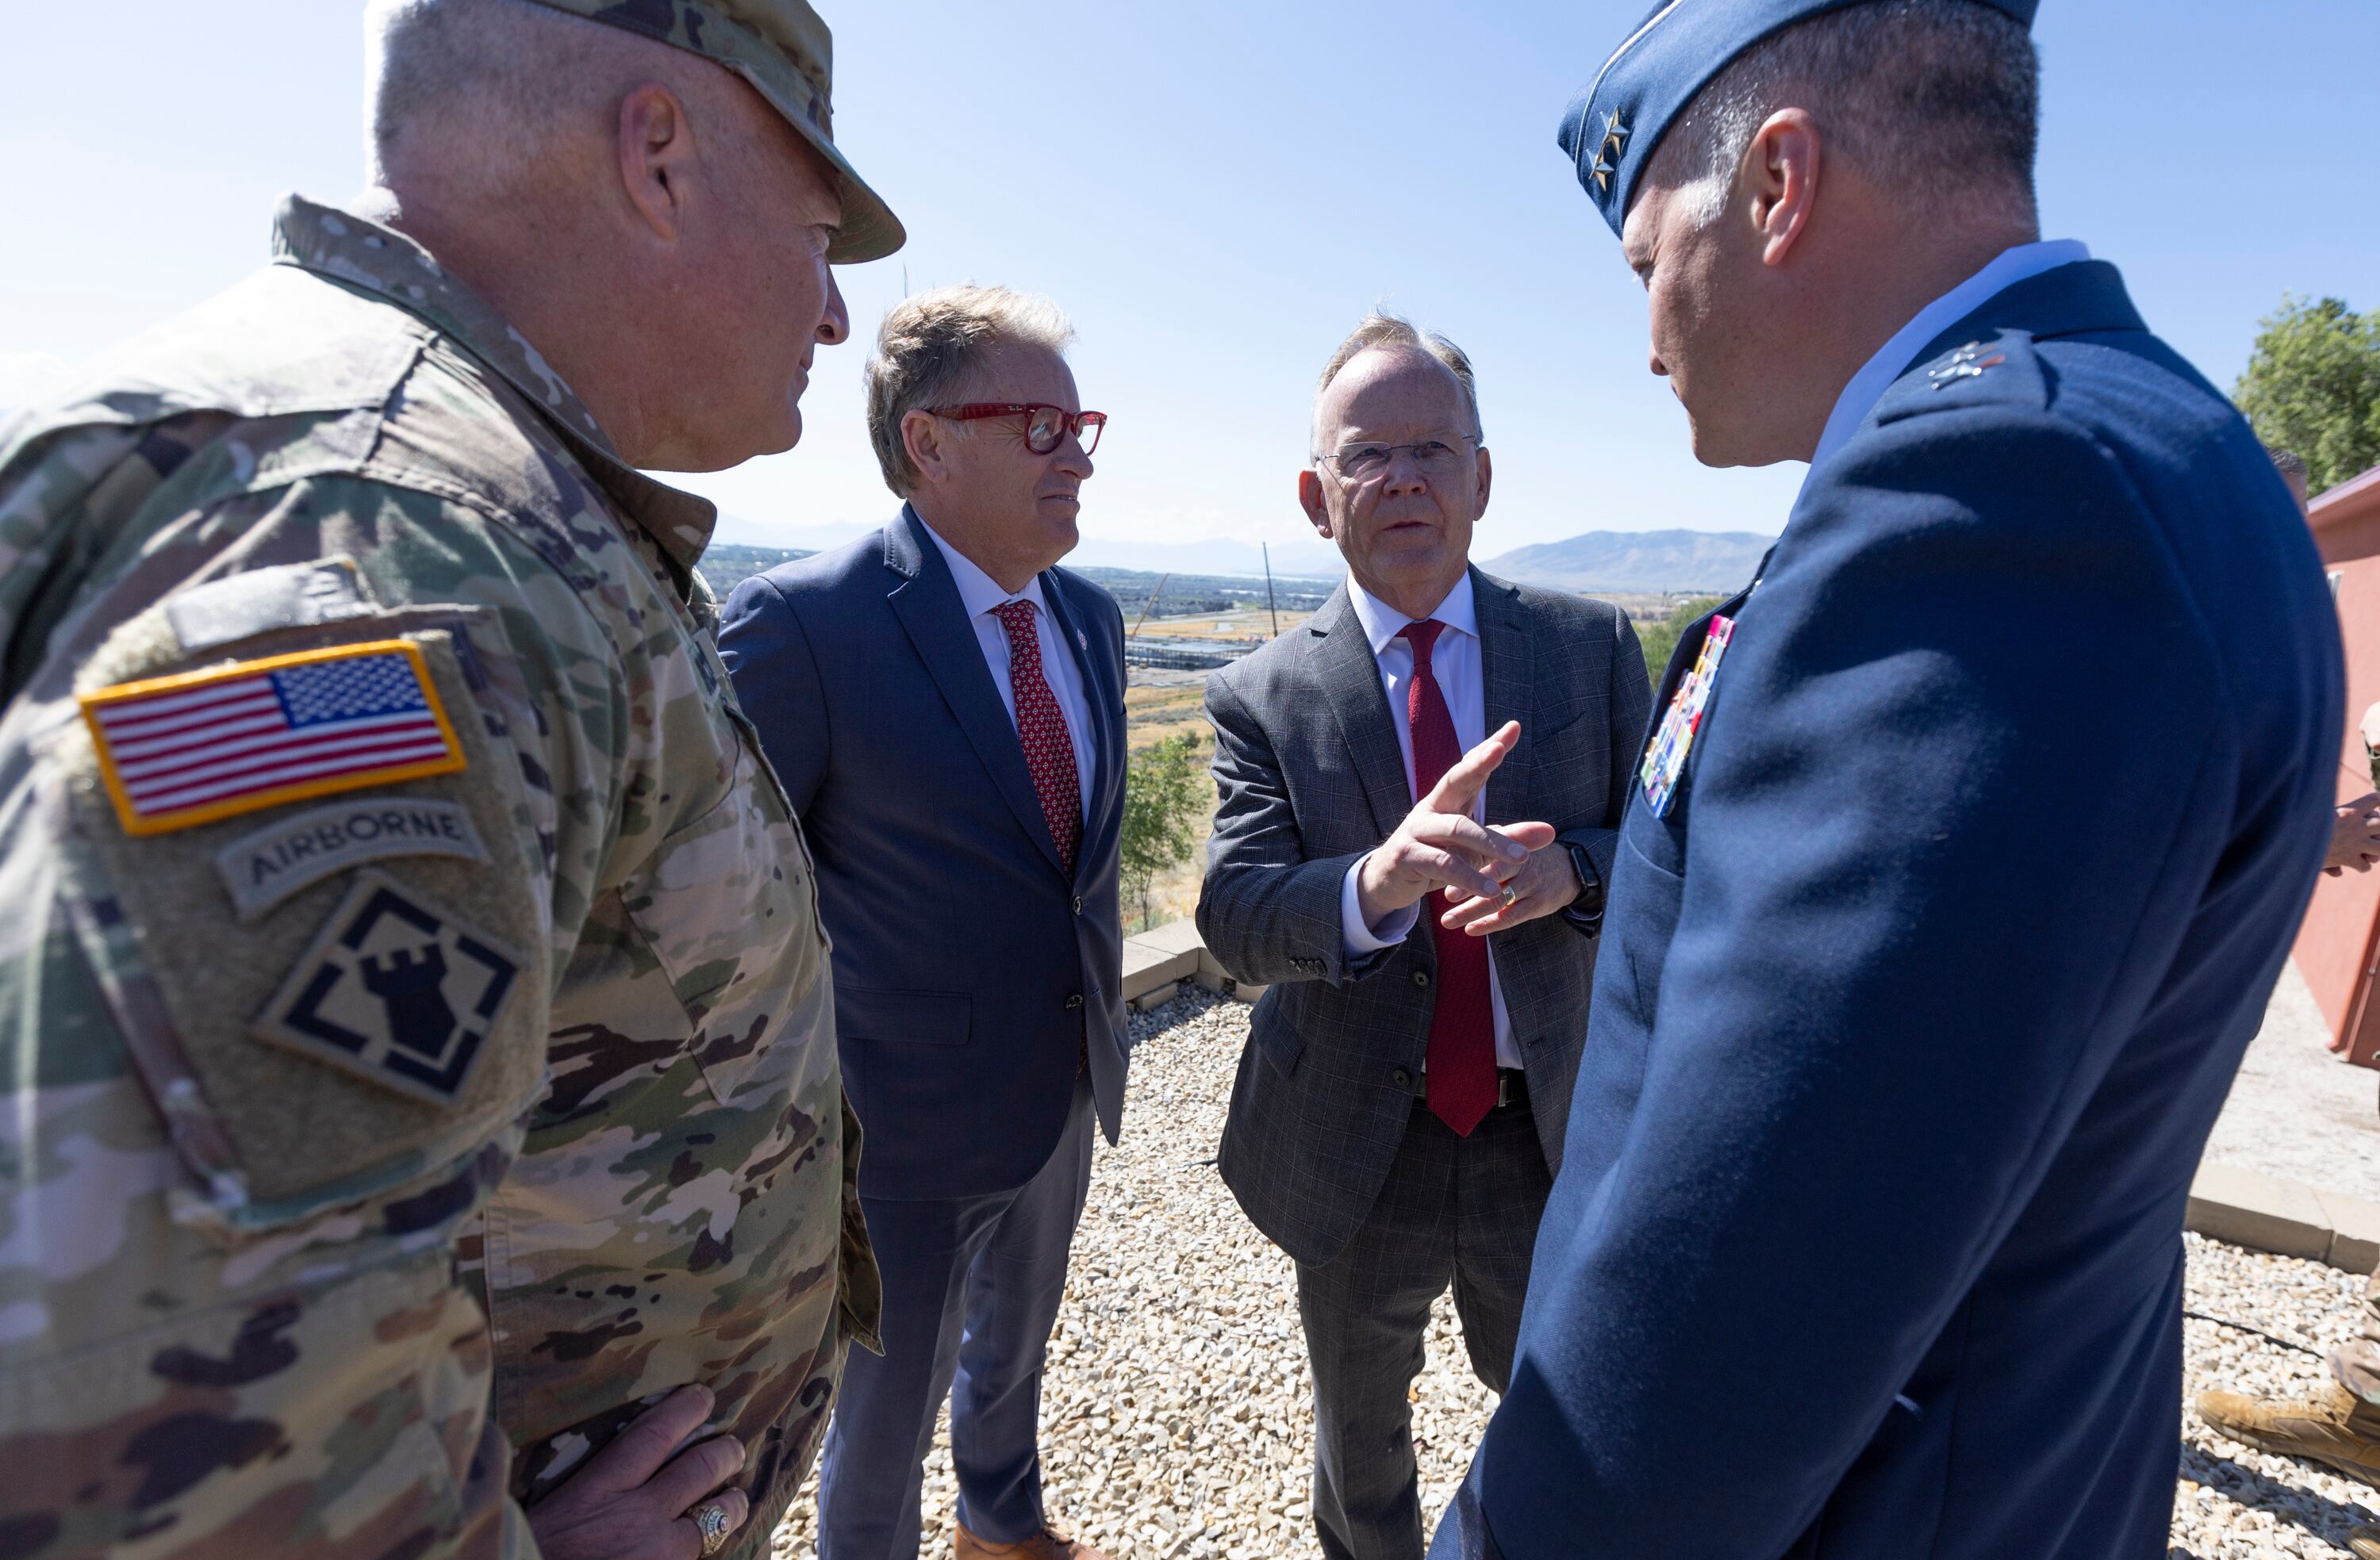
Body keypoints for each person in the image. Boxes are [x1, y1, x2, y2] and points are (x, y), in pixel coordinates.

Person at [1427, 3, 2343, 1558]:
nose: (1644, 332)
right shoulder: (2133, 436)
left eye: (1649, 263)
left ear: (1779, 185)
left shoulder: (1999, 506)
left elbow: (1738, 1303)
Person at [0, 2, 903, 1556]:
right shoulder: (401, 543)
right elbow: (176, 1425)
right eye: (822, 232)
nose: (832, 316)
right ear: (661, 157)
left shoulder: (415, 475)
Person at [1196, 315, 1649, 1560]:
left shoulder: (1591, 649)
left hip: (1546, 1133)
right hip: (1355, 1143)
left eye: (1434, 448)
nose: (1404, 479)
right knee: (1361, 1455)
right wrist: (1373, 884)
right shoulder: (1261, 696)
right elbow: (1235, 917)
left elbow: (1679, 852)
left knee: (1567, 1436)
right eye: (1368, 455)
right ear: (1315, 494)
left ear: (1483, 478)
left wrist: (1573, 871)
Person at [717, 286, 1126, 1560]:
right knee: (877, 1442)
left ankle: (1000, 1524)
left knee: (1011, 1365)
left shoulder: (1090, 619)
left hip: (1062, 1087)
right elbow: (733, 905)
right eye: (1041, 426)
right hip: (895, 1132)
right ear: (930, 442)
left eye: (1083, 425)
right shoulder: (806, 624)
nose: (1080, 456)